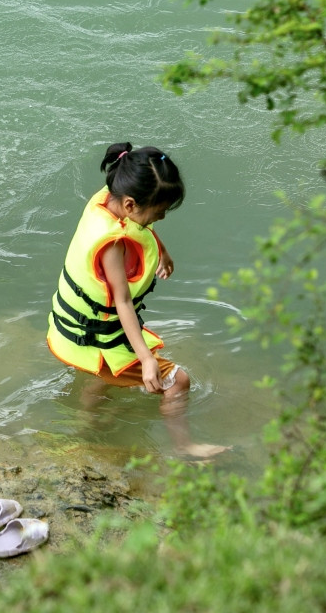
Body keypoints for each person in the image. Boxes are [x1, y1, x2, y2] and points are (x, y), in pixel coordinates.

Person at [47, 142, 228, 460]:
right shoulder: (112, 247)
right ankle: (185, 448)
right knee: (177, 381)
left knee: (105, 378)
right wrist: (146, 359)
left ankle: (88, 423)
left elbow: (138, 226)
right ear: (131, 204)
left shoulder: (109, 198)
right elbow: (122, 302)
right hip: (101, 340)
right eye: (158, 212)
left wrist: (162, 250)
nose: (161, 217)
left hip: (80, 333)